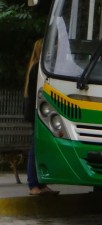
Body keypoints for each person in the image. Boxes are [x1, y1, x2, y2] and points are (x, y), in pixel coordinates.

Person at [23, 38, 59, 196]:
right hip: (36, 111)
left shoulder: (35, 67)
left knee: (39, 146)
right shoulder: (38, 68)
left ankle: (40, 183)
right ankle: (34, 184)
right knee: (35, 147)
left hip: (36, 111)